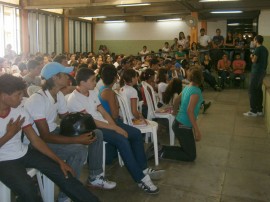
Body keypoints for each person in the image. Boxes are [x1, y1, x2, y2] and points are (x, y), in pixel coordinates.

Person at [24, 62, 116, 202]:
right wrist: (77, 139)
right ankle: (65, 196)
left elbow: (67, 121)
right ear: (55, 78)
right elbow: (45, 136)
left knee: (96, 133)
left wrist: (84, 127)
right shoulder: (38, 99)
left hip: (53, 131)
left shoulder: (58, 95)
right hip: (37, 142)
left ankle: (95, 177)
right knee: (78, 150)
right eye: (65, 74)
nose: (69, 76)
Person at [0, 74, 100, 202]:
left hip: (24, 152)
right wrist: (9, 135)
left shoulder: (18, 110)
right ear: (3, 95)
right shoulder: (30, 103)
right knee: (28, 190)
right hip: (3, 161)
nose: (21, 98)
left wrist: (59, 161)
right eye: (17, 95)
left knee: (65, 174)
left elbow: (35, 140)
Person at [67, 67, 161, 194]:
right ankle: (141, 179)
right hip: (93, 128)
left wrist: (115, 125)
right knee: (122, 140)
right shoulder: (74, 99)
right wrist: (115, 128)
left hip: (106, 123)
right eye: (93, 80)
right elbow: (92, 122)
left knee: (136, 133)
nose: (96, 82)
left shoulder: (92, 91)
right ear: (82, 83)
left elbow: (103, 111)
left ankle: (143, 168)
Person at [158, 67, 203, 161]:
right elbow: (190, 111)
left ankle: (161, 149)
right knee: (191, 156)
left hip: (179, 123)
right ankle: (162, 153)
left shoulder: (187, 87)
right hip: (183, 126)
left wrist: (174, 112)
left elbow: (176, 100)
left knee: (186, 150)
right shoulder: (196, 91)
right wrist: (196, 130)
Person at [243, 35, 269, 117]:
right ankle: (259, 110)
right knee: (258, 90)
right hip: (262, 71)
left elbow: (254, 60)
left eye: (254, 40)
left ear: (257, 41)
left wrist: (251, 56)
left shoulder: (257, 49)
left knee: (252, 90)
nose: (253, 42)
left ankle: (253, 111)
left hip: (256, 72)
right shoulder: (265, 49)